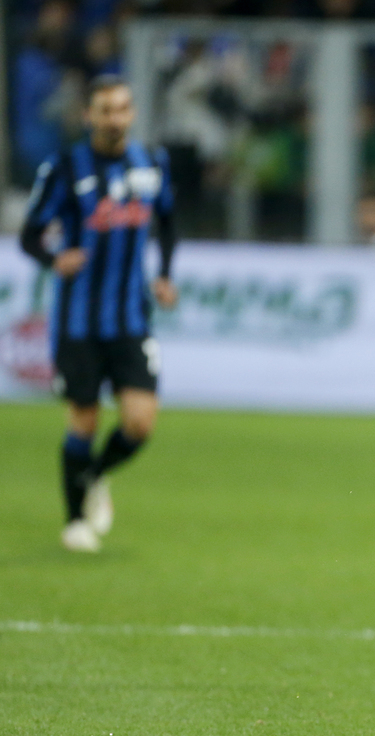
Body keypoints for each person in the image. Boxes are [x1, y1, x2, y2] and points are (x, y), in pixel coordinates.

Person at [19, 75, 178, 552]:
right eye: (105, 110)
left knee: (140, 422)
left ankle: (92, 476)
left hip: (132, 318)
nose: (115, 118)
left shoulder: (152, 163)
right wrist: (55, 259)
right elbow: (29, 234)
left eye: (122, 109)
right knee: (84, 422)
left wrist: (165, 274)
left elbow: (168, 221)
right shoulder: (65, 168)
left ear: (132, 113)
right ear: (89, 115)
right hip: (78, 322)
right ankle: (74, 523)